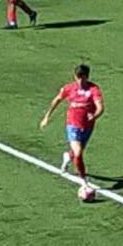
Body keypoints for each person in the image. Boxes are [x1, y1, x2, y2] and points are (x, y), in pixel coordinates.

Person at [39, 63, 104, 200]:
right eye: (78, 78)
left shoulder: (93, 89)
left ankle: (67, 157)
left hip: (87, 126)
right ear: (75, 77)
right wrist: (46, 117)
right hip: (72, 125)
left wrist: (95, 116)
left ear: (87, 77)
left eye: (83, 78)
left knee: (77, 154)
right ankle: (84, 182)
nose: (80, 81)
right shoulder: (69, 88)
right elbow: (57, 100)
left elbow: (100, 107)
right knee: (79, 153)